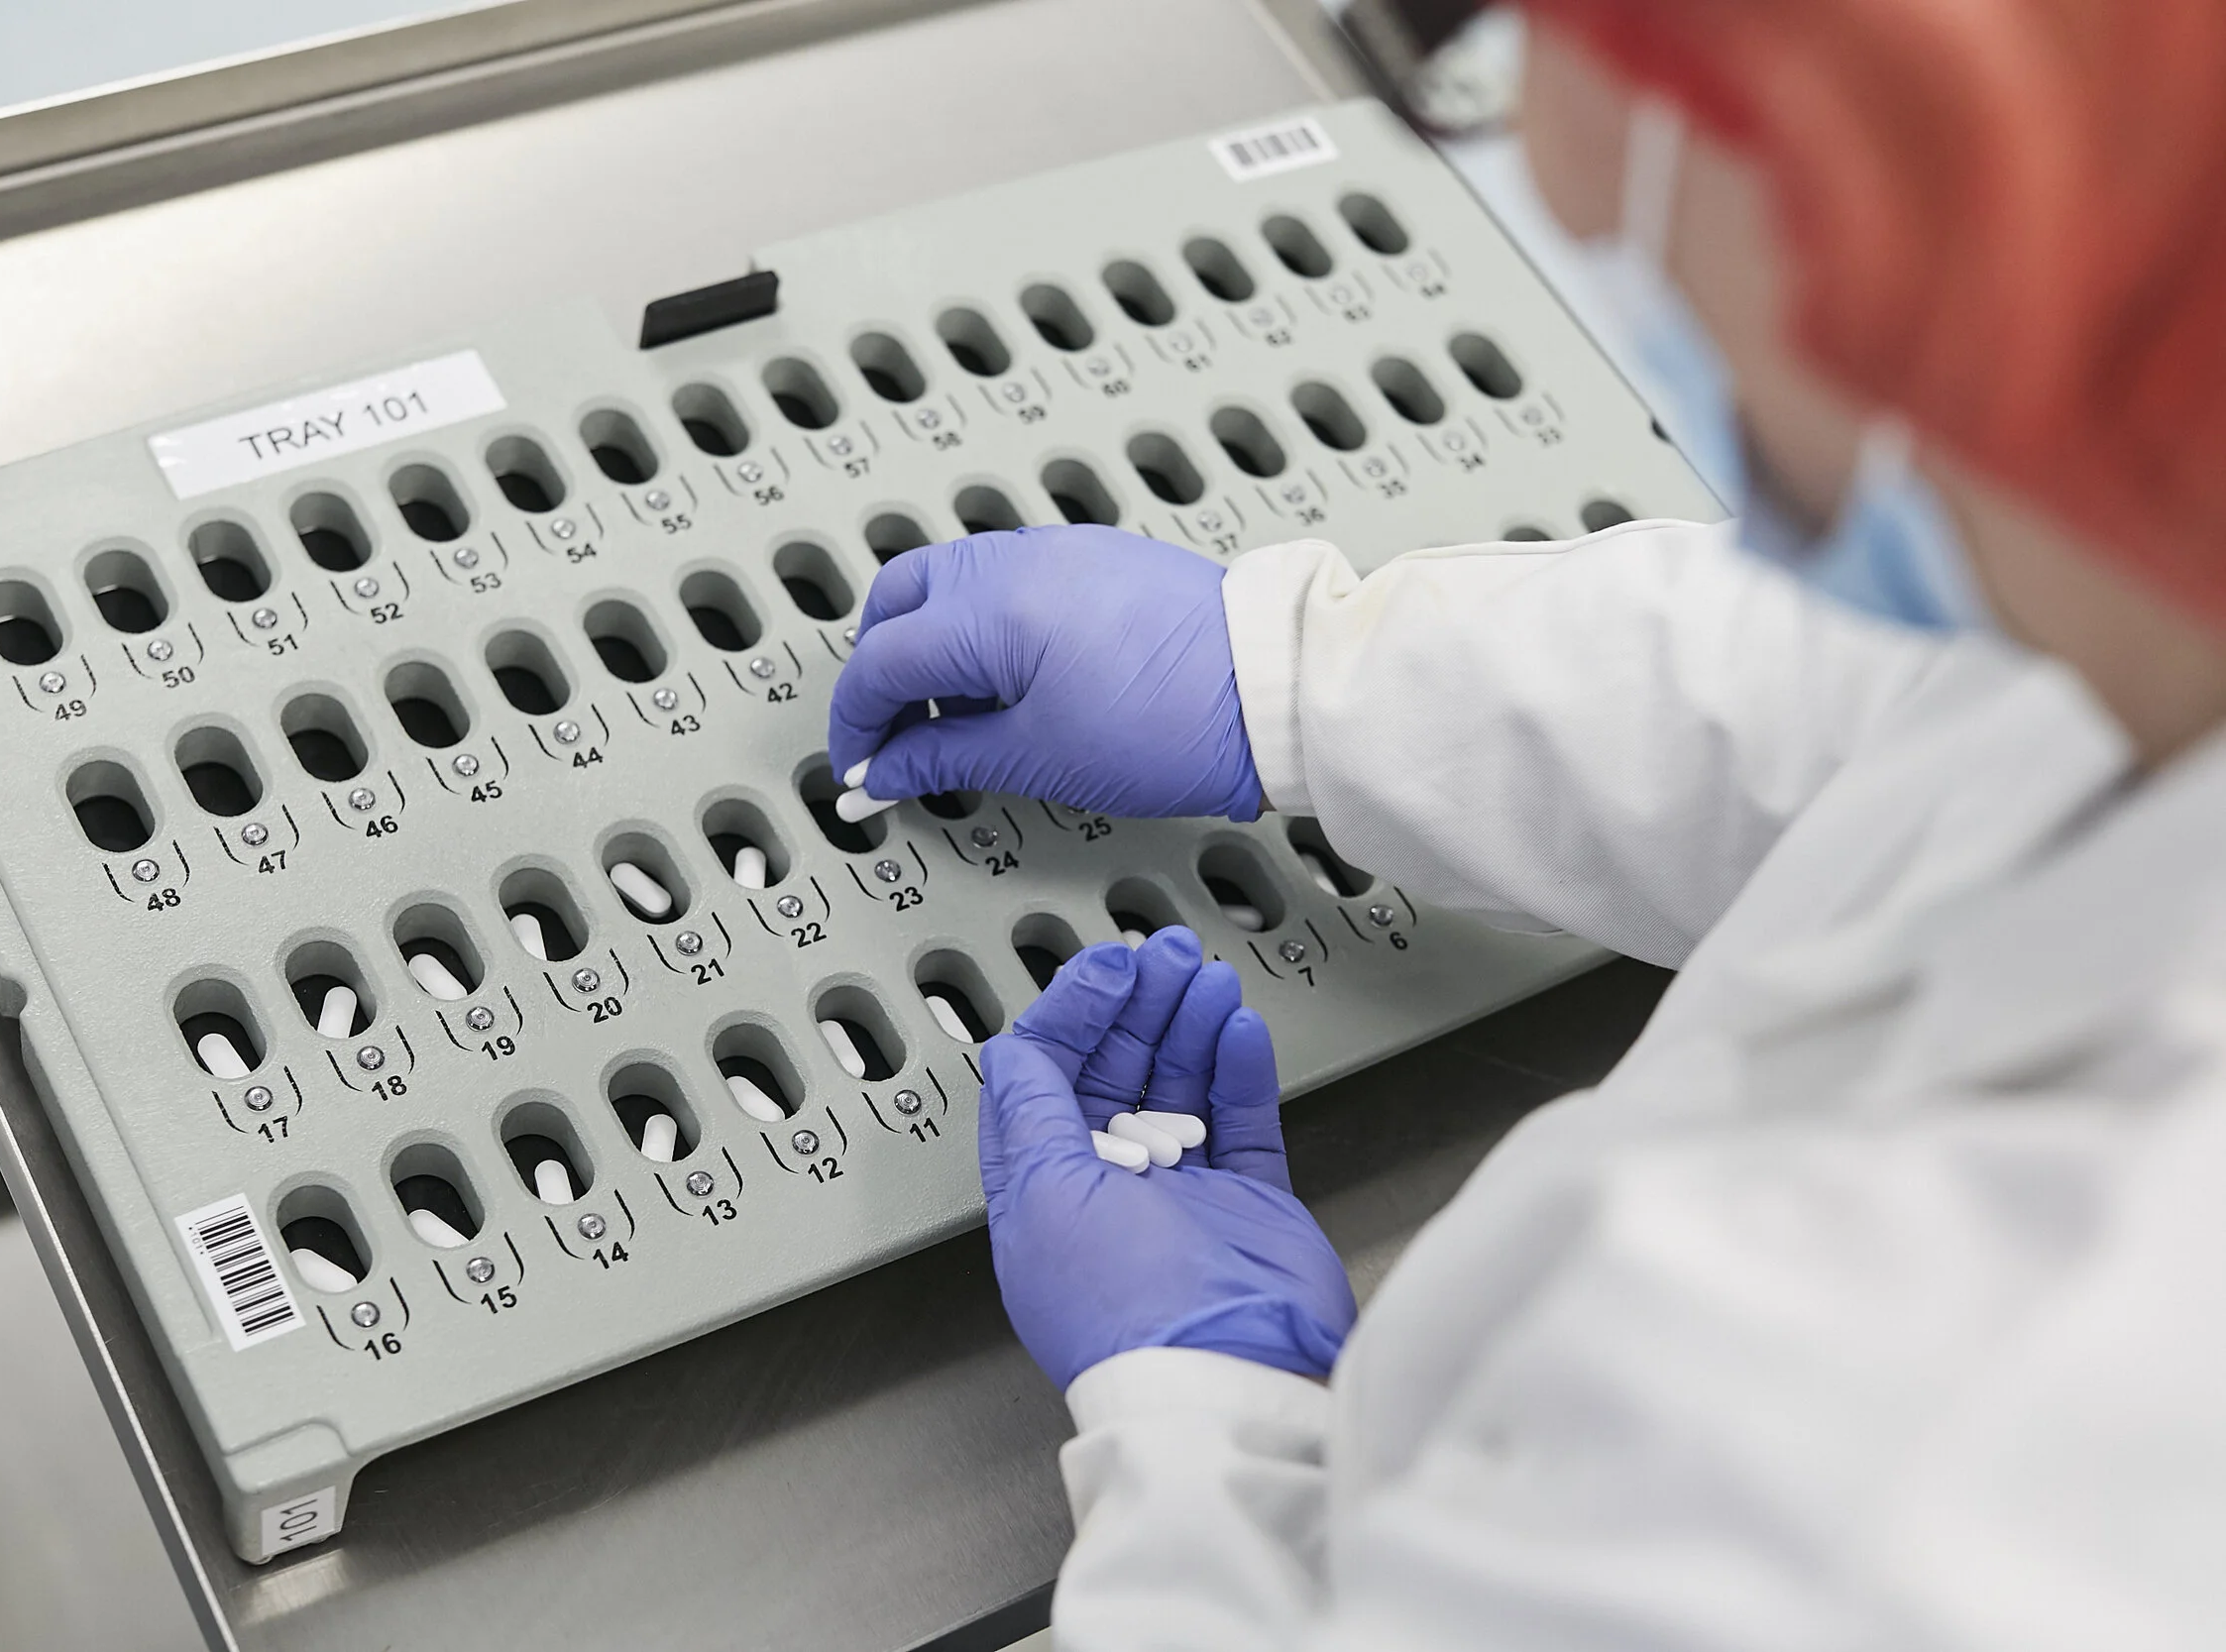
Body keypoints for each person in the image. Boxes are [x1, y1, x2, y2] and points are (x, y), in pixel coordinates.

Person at [825, 1, 2226, 1644]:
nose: (1556, 176)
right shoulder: (2150, 559)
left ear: (1900, 193)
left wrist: (1203, 1424)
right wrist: (1288, 673)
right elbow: (1935, 679)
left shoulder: (1918, 1461)